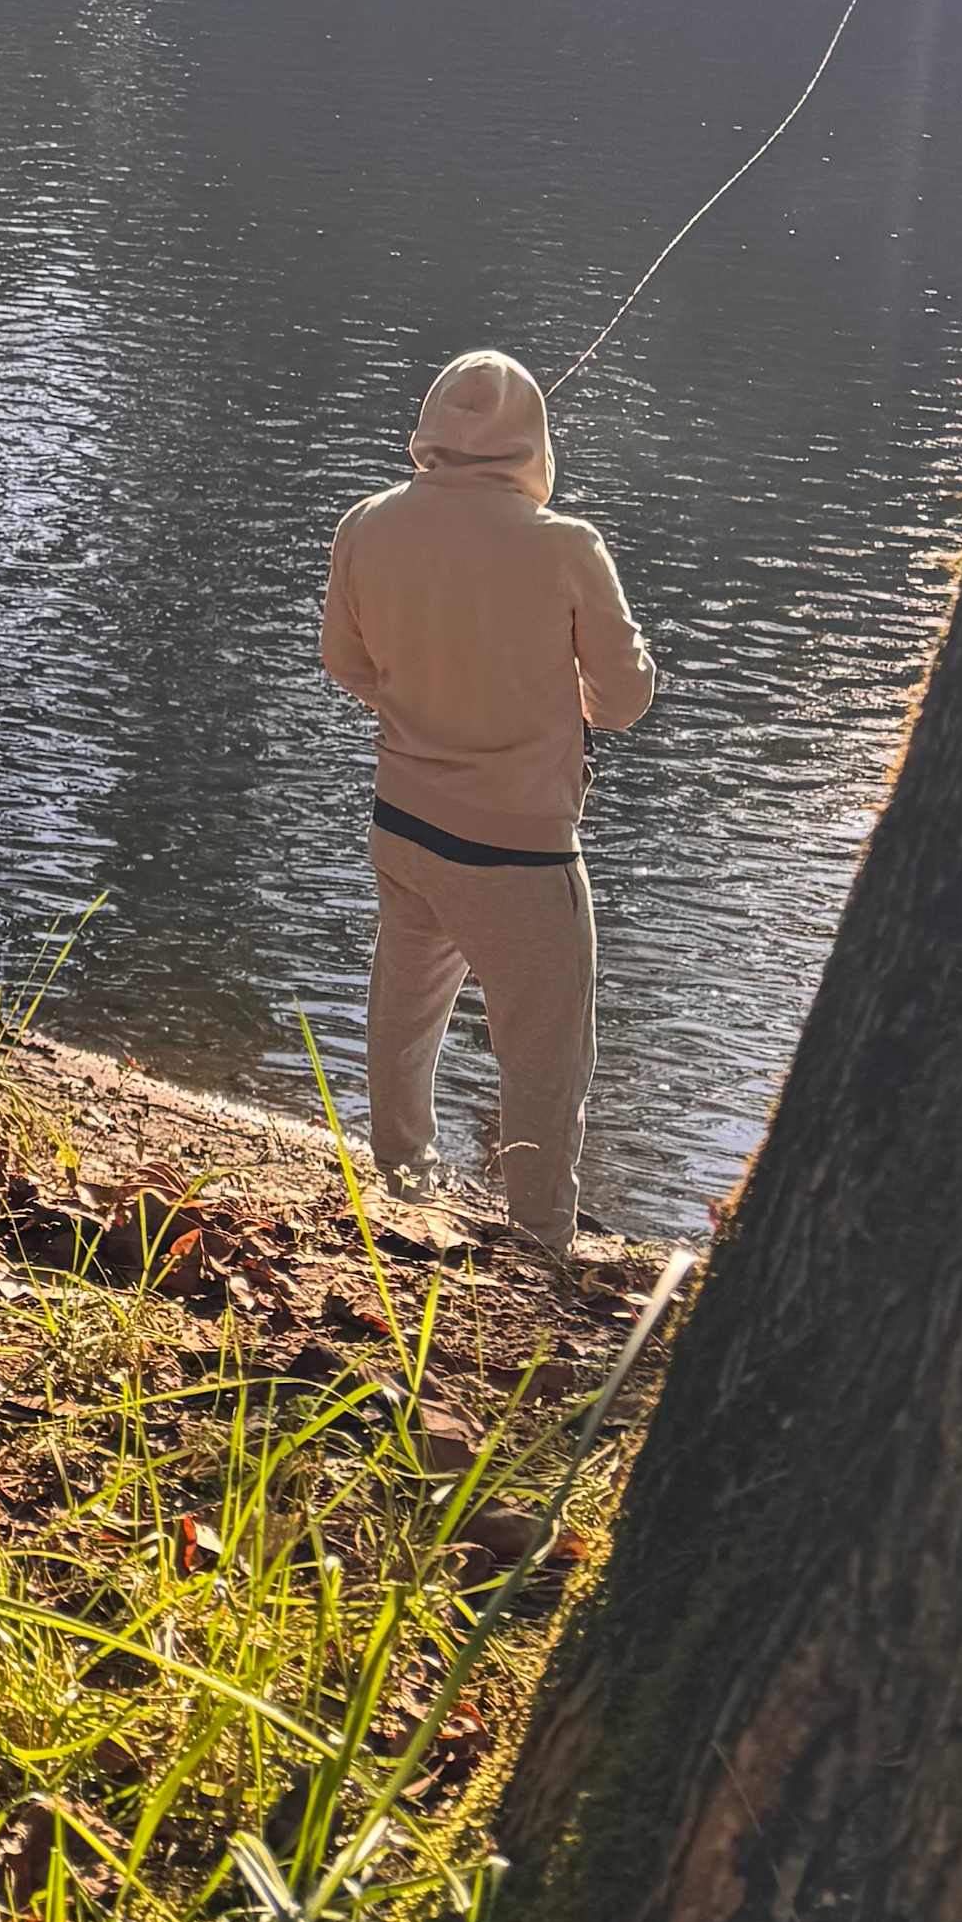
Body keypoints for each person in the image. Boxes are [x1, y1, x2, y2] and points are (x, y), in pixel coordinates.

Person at [320, 348, 655, 1256]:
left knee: (403, 1016)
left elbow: (346, 665)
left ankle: (405, 1184)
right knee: (545, 1054)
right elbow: (624, 702)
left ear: (432, 428)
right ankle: (541, 1237)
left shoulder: (367, 523)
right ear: (533, 442)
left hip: (403, 822)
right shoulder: (567, 545)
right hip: (521, 852)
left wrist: (426, 703)